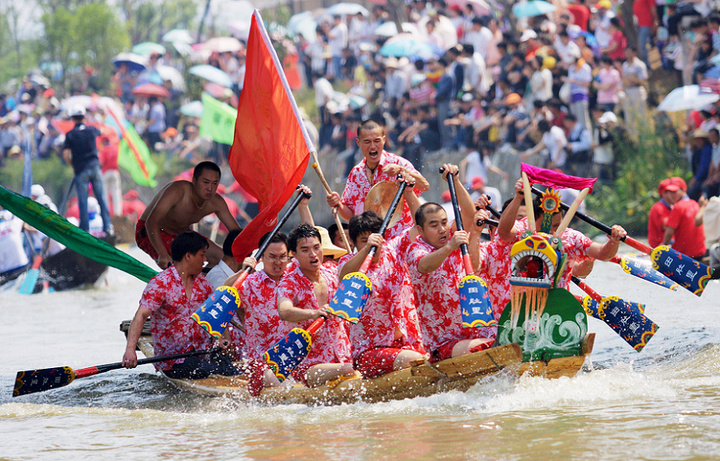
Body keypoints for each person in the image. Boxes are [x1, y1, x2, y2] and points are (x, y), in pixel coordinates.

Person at [405, 164, 494, 362]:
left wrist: (455, 181)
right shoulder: (416, 250)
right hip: (443, 343)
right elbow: (425, 265)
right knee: (489, 348)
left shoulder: (455, 239)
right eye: (434, 225)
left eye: (444, 223)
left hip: (476, 330)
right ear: (420, 230)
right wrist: (449, 248)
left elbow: (470, 215)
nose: (442, 229)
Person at [122, 231, 241, 379]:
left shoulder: (204, 284)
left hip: (202, 354)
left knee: (230, 368)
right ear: (188, 256)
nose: (205, 260)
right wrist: (130, 351)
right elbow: (141, 315)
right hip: (173, 361)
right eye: (202, 255)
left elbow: (217, 314)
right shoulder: (160, 284)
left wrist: (224, 339)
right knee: (214, 370)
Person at [338, 211, 426, 379]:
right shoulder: (348, 263)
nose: (374, 246)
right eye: (365, 241)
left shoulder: (395, 250)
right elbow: (344, 276)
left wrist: (407, 191)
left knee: (426, 357)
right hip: (370, 353)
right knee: (418, 360)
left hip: (409, 343)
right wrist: (366, 251)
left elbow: (420, 225)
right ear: (354, 243)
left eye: (376, 239)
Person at [498, 178, 628, 290]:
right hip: (518, 303)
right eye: (545, 226)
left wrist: (614, 240)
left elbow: (603, 254)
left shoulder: (570, 237)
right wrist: (519, 196)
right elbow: (503, 233)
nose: (551, 232)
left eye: (556, 226)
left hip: (554, 311)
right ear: (533, 217)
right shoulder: (522, 228)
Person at [276, 224, 356, 387]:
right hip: (308, 364)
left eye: (316, 248)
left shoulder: (334, 274)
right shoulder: (289, 283)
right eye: (305, 250)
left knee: (357, 367)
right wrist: (313, 313)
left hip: (343, 356)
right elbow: (284, 311)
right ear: (294, 254)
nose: (313, 254)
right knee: (351, 369)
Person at [326, 119, 429, 240]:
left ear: (384, 140)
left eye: (377, 141)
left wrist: (402, 170)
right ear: (358, 143)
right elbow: (351, 215)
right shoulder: (356, 173)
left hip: (401, 240)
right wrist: (337, 204)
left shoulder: (397, 163)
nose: (373, 146)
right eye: (367, 142)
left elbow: (424, 185)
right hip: (373, 243)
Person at [136, 161, 240, 269]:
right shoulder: (177, 191)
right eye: (205, 182)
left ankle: (201, 282)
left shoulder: (216, 202)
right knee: (188, 264)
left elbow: (236, 232)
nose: (210, 188)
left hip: (181, 234)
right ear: (194, 181)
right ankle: (190, 279)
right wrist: (162, 254)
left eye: (214, 183)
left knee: (221, 258)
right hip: (149, 231)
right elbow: (151, 222)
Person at [228, 232, 294, 395]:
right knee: (281, 384)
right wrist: (243, 271)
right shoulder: (250, 283)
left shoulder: (295, 278)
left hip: (295, 356)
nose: (278, 263)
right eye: (272, 257)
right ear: (261, 257)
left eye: (283, 257)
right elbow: (223, 293)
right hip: (262, 362)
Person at [62, 105, 112, 235]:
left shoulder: (70, 134)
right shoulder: (91, 130)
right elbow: (102, 132)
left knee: (83, 201)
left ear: (72, 118)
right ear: (84, 117)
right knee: (101, 198)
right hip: (95, 167)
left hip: (81, 169)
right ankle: (108, 227)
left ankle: (85, 230)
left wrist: (73, 165)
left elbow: (66, 154)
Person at [662, 177, 707, 261]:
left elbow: (669, 233)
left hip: (683, 256)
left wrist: (662, 246)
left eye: (674, 192)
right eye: (669, 192)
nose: (671, 195)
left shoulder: (678, 207)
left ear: (683, 190)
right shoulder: (695, 204)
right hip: (700, 254)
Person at [649, 178, 679, 248]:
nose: (674, 194)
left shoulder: (671, 207)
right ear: (664, 193)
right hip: (659, 244)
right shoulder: (658, 208)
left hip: (669, 241)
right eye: (671, 192)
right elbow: (667, 227)